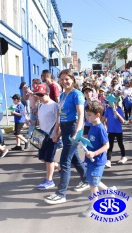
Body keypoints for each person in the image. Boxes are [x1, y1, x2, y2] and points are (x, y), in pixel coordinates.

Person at [44, 69, 88, 205]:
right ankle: (87, 180)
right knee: (74, 159)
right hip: (64, 127)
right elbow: (61, 115)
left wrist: (77, 131)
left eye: (67, 79)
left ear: (72, 80)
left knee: (64, 161)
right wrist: (57, 130)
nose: (64, 82)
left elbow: (81, 115)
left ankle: (61, 193)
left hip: (74, 127)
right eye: (62, 79)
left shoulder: (77, 94)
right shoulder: (63, 95)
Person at [80, 101, 115, 217]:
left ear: (98, 115)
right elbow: (92, 142)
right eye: (86, 114)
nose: (87, 117)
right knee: (93, 181)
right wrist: (84, 145)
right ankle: (110, 192)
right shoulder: (91, 127)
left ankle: (93, 206)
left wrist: (94, 153)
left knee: (93, 185)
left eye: (89, 115)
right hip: (90, 160)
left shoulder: (100, 128)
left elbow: (107, 145)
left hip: (98, 161)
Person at [33, 84, 61, 190]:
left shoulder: (54, 105)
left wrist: (57, 134)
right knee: (42, 157)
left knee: (49, 159)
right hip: (42, 135)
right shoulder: (40, 105)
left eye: (41, 95)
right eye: (38, 95)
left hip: (51, 136)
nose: (39, 97)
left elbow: (59, 121)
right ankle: (58, 166)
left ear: (47, 94)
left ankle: (49, 180)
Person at [102, 96, 126, 167]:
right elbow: (103, 118)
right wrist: (99, 124)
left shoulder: (119, 109)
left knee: (120, 144)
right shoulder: (108, 109)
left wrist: (117, 114)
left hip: (118, 131)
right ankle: (108, 160)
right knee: (110, 145)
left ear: (116, 102)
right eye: (109, 102)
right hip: (110, 130)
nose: (110, 103)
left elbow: (123, 121)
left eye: (111, 102)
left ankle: (123, 156)